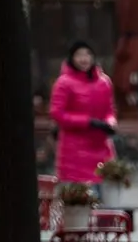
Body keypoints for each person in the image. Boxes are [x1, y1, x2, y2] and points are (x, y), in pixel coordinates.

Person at [48, 40, 117, 194]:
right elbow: (57, 113)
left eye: (88, 54)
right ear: (71, 58)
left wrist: (110, 123)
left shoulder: (104, 82)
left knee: (105, 203)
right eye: (79, 55)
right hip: (74, 151)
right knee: (79, 203)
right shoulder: (64, 83)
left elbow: (109, 110)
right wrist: (87, 122)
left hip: (101, 147)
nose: (84, 59)